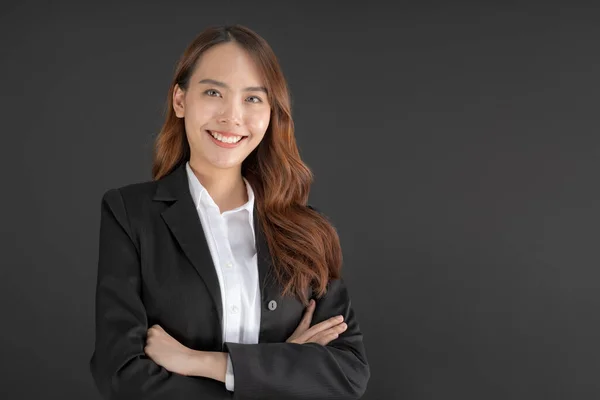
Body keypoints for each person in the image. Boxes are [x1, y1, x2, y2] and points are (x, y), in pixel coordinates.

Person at [89, 24, 370, 399]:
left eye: (253, 99)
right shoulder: (130, 214)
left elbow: (349, 373)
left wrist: (203, 362)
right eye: (212, 92)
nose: (232, 117)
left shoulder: (307, 232)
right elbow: (120, 376)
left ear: (271, 112)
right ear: (180, 100)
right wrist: (283, 367)